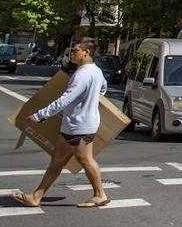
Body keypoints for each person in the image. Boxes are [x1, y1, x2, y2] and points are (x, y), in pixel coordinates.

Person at [12, 39, 110, 209]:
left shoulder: (82, 74)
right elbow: (103, 88)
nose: (73, 52)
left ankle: (100, 195)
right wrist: (90, 100)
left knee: (85, 159)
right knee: (57, 161)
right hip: (76, 123)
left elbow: (64, 100)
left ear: (86, 52)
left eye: (77, 50)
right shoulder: (96, 71)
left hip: (80, 125)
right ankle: (36, 197)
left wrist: (39, 115)